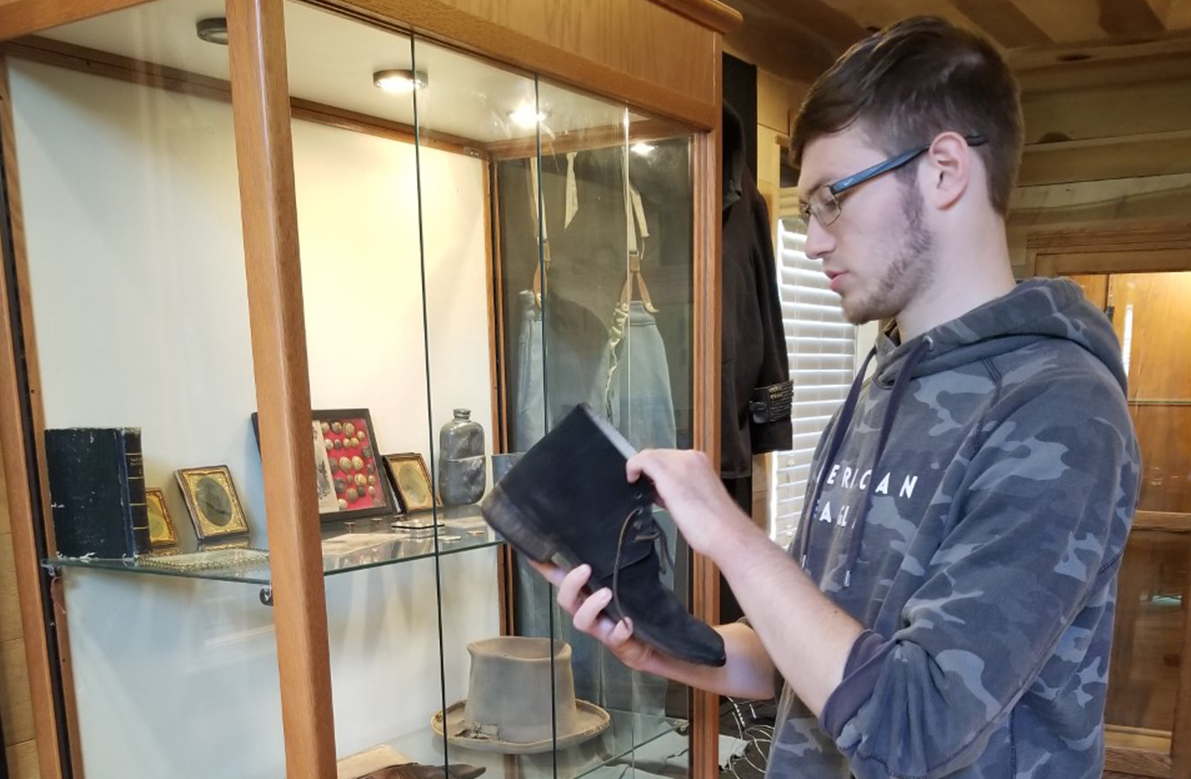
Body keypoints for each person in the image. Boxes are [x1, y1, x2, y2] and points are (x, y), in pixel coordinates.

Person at [532, 15, 1141, 779]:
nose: (814, 238)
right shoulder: (879, 380)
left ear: (944, 169)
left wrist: (728, 531)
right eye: (806, 209)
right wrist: (658, 642)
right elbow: (804, 667)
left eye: (831, 198)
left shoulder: (1061, 411)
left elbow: (915, 726)